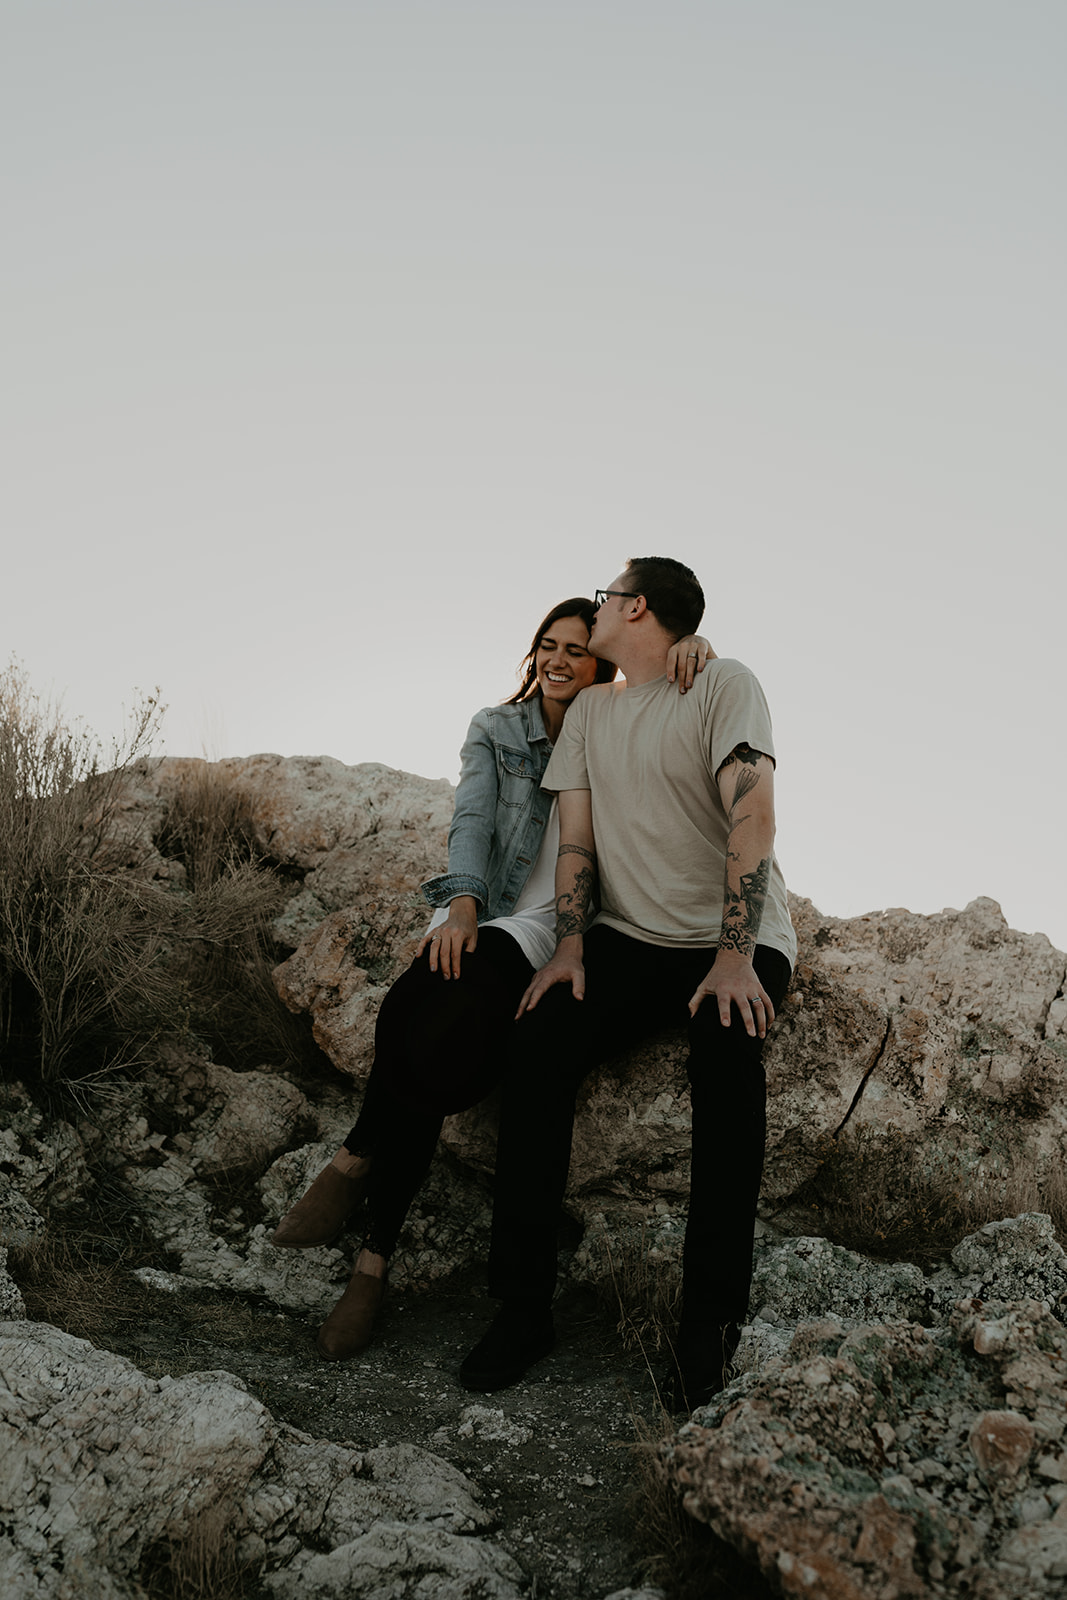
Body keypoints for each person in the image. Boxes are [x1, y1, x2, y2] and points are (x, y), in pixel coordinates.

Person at [270, 595, 713, 1361]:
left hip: (573, 926)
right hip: (503, 906)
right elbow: (471, 817)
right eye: (548, 644)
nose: (558, 659)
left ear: (602, 660)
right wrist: (464, 901)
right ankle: (368, 1248)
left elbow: (676, 680)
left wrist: (694, 644)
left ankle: (359, 1182)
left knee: (435, 1045)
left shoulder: (611, 724)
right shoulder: (497, 727)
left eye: (577, 649)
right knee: (422, 1008)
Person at [458, 557, 796, 1411]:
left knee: (726, 1071)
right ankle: (523, 1308)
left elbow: (750, 813)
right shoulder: (593, 717)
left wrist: (733, 955)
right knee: (537, 1045)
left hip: (733, 936)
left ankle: (708, 1331)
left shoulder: (724, 684)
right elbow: (576, 844)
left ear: (636, 607)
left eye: (607, 595)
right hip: (629, 939)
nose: (598, 602)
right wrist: (568, 950)